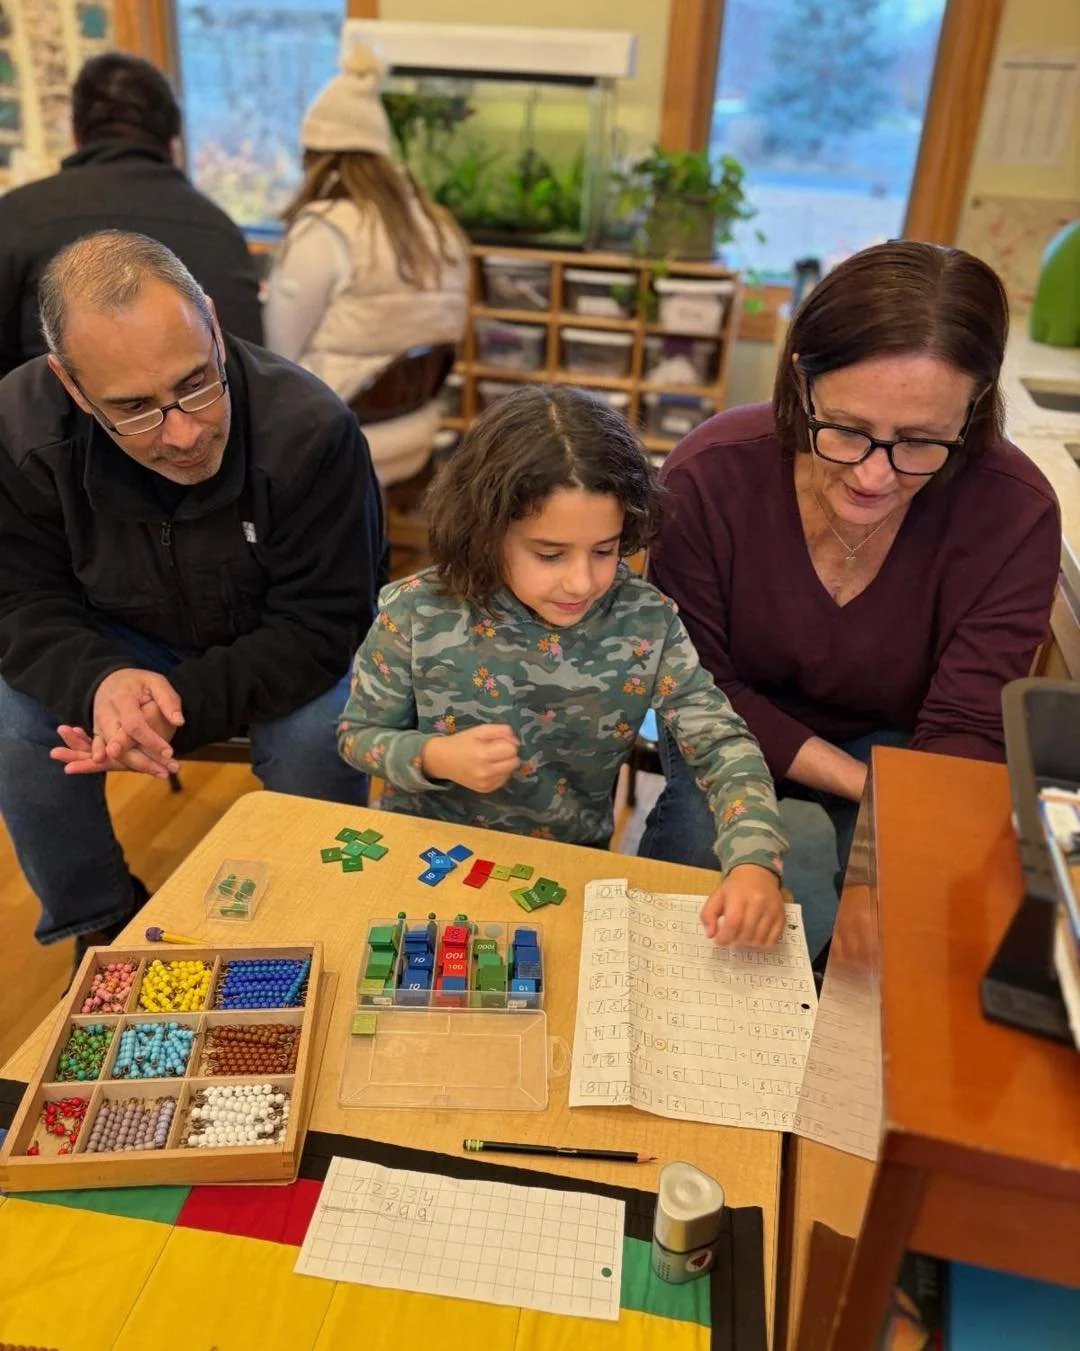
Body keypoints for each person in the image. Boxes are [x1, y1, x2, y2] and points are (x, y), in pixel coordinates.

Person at [638, 241, 1061, 961]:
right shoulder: (712, 477)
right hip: (726, 722)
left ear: (977, 406)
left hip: (908, 740)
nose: (872, 475)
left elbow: (963, 727)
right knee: (687, 897)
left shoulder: (1014, 514)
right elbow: (697, 684)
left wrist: (880, 864)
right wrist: (866, 788)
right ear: (801, 378)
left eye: (922, 442)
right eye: (847, 428)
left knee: (909, 934)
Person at [0, 230, 385, 956]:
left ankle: (318, 917)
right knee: (14, 723)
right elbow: (17, 599)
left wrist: (171, 709)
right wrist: (102, 678)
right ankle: (101, 922)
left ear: (210, 320)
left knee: (318, 734)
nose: (182, 433)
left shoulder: (311, 429)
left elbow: (326, 623)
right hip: (113, 634)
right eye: (135, 408)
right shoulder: (16, 432)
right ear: (70, 384)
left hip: (278, 643)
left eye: (196, 383)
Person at [337, 385, 789, 947]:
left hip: (563, 871)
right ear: (486, 530)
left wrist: (754, 859)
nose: (582, 582)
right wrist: (430, 755)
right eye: (550, 554)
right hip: (426, 859)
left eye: (606, 550)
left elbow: (722, 743)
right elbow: (356, 736)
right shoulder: (416, 611)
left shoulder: (646, 622)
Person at [263, 43, 469, 486]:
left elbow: (282, 357)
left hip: (337, 435)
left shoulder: (325, 230)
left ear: (317, 157)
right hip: (418, 428)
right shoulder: (441, 227)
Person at [0, 51, 262, 376]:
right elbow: (251, 372)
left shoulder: (19, 217)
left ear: (76, 135)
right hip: (213, 424)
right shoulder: (221, 230)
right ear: (173, 143)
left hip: (49, 424)